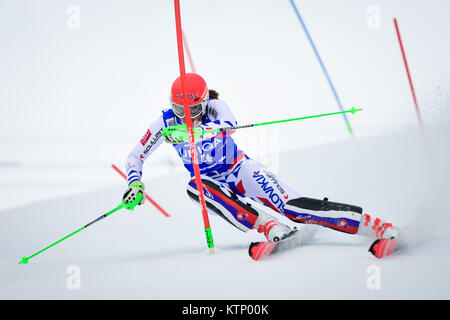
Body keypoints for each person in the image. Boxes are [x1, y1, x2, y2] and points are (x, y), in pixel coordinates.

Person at [122, 73, 400, 258]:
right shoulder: (164, 123)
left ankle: (376, 226)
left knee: (293, 206)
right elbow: (136, 155)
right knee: (195, 187)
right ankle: (268, 227)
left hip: (240, 170)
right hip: (212, 183)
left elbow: (228, 126)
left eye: (193, 111)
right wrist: (134, 182)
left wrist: (198, 132)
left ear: (204, 104)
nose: (186, 117)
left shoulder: (217, 107)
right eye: (180, 111)